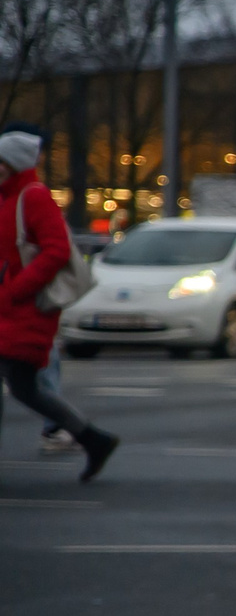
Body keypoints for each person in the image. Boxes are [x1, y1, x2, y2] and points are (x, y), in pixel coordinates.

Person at [0, 125, 116, 480]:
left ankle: (93, 439)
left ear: (14, 164)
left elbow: (57, 250)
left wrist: (17, 290)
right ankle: (93, 439)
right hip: (11, 308)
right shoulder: (8, 198)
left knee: (24, 385)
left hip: (26, 309)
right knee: (26, 388)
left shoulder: (33, 196)